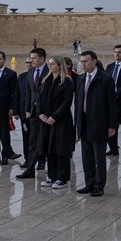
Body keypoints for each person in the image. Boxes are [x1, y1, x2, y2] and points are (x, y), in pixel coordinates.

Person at [73, 50, 118, 197]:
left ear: (94, 61)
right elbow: (78, 102)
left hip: (99, 123)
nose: (83, 64)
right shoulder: (80, 79)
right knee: (86, 157)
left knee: (98, 157)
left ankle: (99, 185)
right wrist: (77, 124)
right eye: (81, 61)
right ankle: (89, 183)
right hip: (84, 122)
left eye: (85, 61)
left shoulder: (105, 79)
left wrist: (112, 125)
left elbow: (112, 104)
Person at [37, 56, 75, 189]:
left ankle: (62, 178)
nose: (50, 66)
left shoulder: (67, 81)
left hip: (61, 120)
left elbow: (66, 102)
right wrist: (40, 113)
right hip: (46, 120)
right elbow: (39, 99)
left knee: (61, 148)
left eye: (52, 64)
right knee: (49, 148)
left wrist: (55, 116)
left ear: (59, 65)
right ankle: (51, 176)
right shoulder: (46, 80)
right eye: (49, 64)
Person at [14, 48, 48, 178]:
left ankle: (47, 165)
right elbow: (29, 92)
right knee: (32, 141)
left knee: (47, 140)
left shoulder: (49, 70)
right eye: (31, 58)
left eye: (34, 58)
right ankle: (30, 169)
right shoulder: (31, 72)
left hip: (46, 112)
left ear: (42, 59)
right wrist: (27, 110)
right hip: (33, 113)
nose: (31, 61)